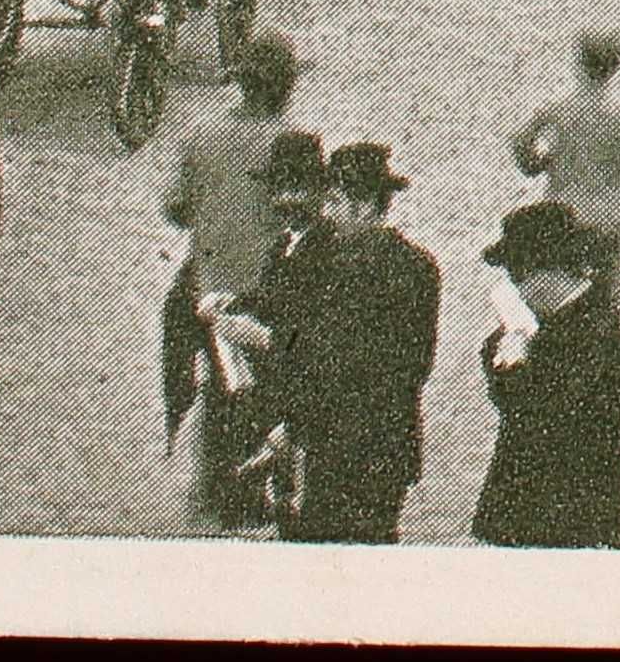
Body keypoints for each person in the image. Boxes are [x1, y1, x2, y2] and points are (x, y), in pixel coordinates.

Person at [255, 140, 442, 544]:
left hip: (335, 444)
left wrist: (290, 426)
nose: (328, 214)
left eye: (336, 202)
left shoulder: (340, 266)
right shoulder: (421, 266)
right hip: (393, 442)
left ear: (361, 205)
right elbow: (418, 363)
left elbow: (327, 364)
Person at [163, 33, 305, 523]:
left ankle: (211, 489)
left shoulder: (201, 137)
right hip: (267, 295)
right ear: (285, 87)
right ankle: (248, 493)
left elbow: (175, 209)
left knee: (217, 389)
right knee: (264, 394)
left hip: (207, 289)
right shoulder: (293, 142)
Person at [470, 203, 620, 549]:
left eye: (517, 278)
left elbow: (548, 409)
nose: (515, 290)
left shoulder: (596, 329)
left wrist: (516, 366)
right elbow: (495, 363)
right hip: (527, 510)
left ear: (544, 273)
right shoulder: (550, 322)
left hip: (566, 520)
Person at [512, 29, 620, 315]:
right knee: (612, 297)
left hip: (564, 211)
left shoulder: (559, 104)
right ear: (616, 65)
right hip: (612, 212)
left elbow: (519, 141)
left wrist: (538, 164)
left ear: (580, 62)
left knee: (563, 291)